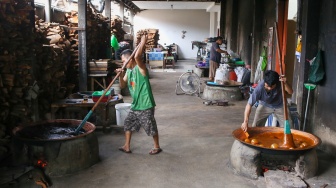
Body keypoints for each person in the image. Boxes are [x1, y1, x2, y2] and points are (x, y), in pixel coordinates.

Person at [115, 35, 162, 155]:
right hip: (135, 105)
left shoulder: (141, 69)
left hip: (146, 104)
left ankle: (157, 146)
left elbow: (137, 56)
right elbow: (122, 86)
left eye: (124, 61)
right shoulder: (129, 71)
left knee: (150, 126)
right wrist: (120, 75)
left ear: (130, 59)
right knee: (128, 124)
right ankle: (127, 146)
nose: (123, 63)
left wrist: (143, 42)